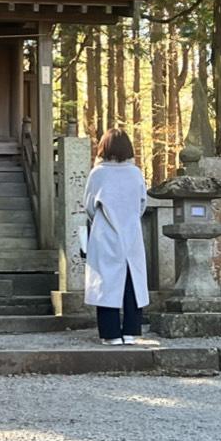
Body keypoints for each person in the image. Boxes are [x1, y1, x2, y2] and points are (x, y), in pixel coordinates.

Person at [84, 127, 149, 345]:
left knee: (106, 282)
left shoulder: (98, 173)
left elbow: (89, 205)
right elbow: (142, 203)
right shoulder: (135, 173)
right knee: (132, 280)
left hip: (106, 231)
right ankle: (131, 330)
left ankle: (110, 333)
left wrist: (101, 221)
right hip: (131, 230)